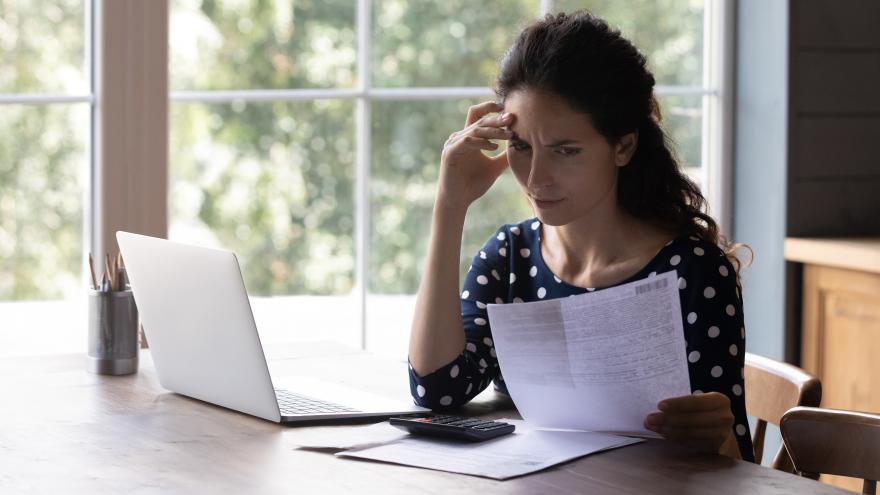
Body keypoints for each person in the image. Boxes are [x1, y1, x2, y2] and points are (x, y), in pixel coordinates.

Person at [406, 10, 754, 462]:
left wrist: (716, 432)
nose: (535, 178)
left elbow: (736, 458)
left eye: (565, 151)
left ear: (623, 147)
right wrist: (449, 207)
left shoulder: (692, 270)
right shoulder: (509, 258)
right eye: (520, 146)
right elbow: (436, 389)